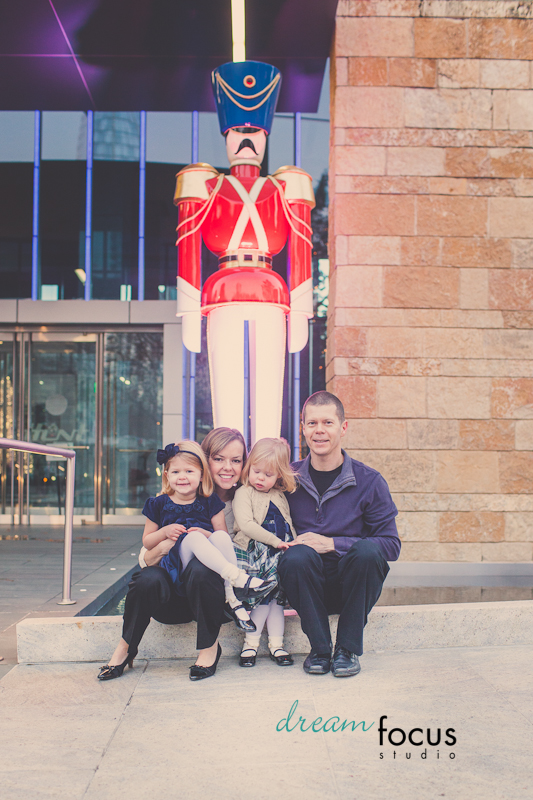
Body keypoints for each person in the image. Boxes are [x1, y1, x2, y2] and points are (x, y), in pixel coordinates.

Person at [98, 428, 250, 682]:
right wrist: (166, 545)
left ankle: (209, 647)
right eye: (219, 459)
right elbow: (145, 557)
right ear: (205, 461)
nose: (228, 467)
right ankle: (125, 648)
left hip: (215, 596)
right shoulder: (168, 500)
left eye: (236, 460)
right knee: (147, 578)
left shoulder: (248, 501)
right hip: (173, 592)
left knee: (202, 569)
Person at [278, 391, 401, 678]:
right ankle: (320, 649)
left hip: (353, 587)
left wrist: (332, 543)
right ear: (303, 428)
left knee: (369, 552)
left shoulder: (369, 481)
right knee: (295, 556)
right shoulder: (287, 478)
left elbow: (391, 545)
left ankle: (346, 650)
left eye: (327, 423)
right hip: (306, 586)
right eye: (311, 423)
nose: (319, 430)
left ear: (343, 428)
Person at [232, 438, 296, 668]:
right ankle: (250, 645)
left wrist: (292, 543)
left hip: (278, 556)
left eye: (268, 475)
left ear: (279, 475)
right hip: (256, 555)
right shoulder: (244, 493)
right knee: (262, 601)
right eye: (256, 471)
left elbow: (288, 523)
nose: (260, 478)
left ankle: (277, 645)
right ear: (249, 467)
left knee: (276, 602)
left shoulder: (279, 496)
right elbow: (246, 525)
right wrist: (275, 541)